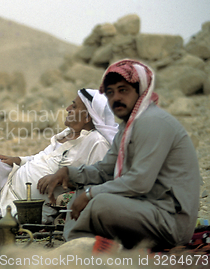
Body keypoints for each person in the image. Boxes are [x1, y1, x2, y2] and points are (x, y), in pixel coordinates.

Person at [38, 59, 200, 250]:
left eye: (123, 90)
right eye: (110, 93)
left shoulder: (153, 122)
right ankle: (78, 245)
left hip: (169, 219)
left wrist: (91, 194)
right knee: (84, 192)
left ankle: (80, 249)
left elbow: (139, 181)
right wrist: (69, 173)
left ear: (140, 91)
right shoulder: (128, 127)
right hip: (145, 208)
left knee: (100, 203)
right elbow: (104, 171)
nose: (116, 98)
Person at [0, 89, 118, 230]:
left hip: (28, 205)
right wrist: (20, 160)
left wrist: (63, 180)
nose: (67, 108)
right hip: (11, 181)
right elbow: (43, 158)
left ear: (88, 117)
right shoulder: (67, 135)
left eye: (74, 107)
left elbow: (97, 181)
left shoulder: (97, 142)